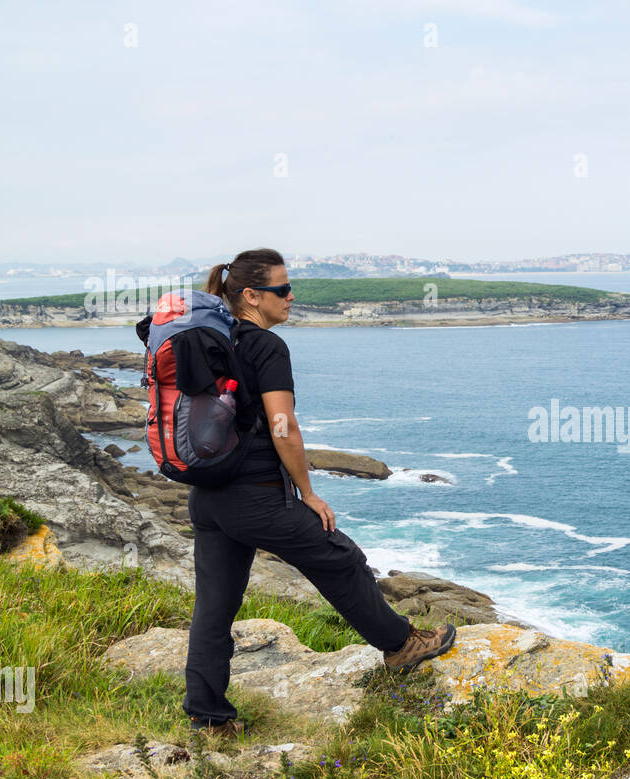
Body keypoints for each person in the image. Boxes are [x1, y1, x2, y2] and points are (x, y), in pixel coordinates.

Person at [183, 247, 456, 736]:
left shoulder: (210, 342)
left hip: (208, 497)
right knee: (341, 556)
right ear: (251, 296)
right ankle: (402, 645)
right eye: (282, 289)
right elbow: (283, 427)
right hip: (257, 497)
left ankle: (208, 719)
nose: (291, 297)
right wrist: (308, 492)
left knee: (214, 609)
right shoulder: (266, 347)